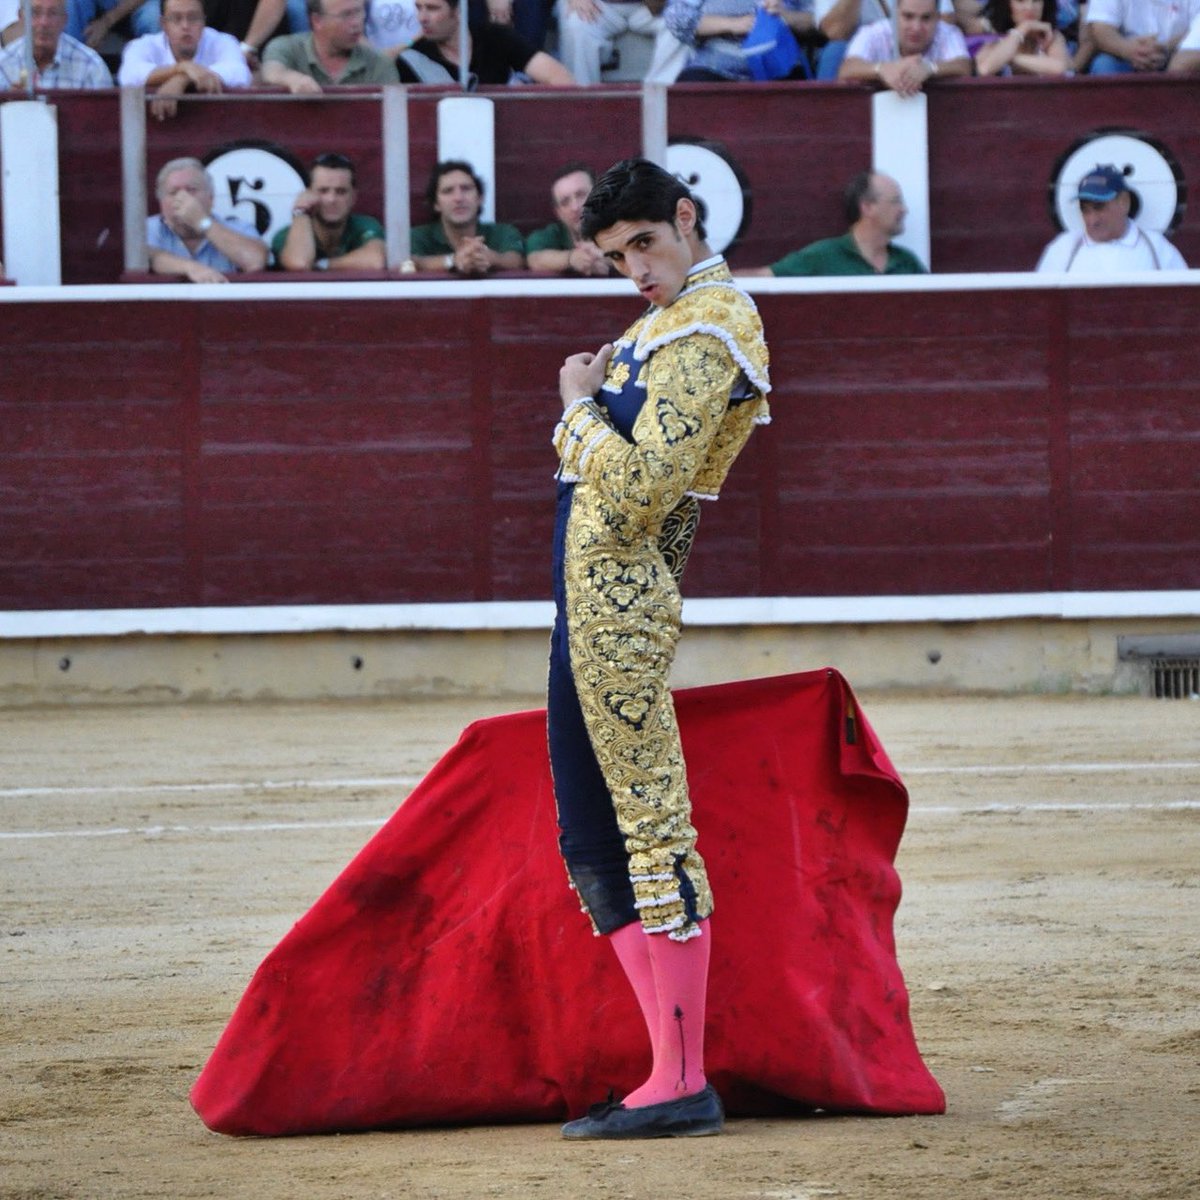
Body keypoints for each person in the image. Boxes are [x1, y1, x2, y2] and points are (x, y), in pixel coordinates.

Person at [547, 157, 770, 1140]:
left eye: (645, 243)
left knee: (645, 823)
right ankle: (662, 1068)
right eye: (613, 256)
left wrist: (574, 413)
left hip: (625, 605)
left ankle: (681, 1078)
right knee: (594, 834)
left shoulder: (713, 325)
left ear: (687, 220)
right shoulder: (663, 325)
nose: (634, 269)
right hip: (586, 604)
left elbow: (637, 496)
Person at [744, 170, 927, 276]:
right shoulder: (824, 256)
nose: (904, 210)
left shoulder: (906, 262)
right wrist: (716, 280)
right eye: (895, 201)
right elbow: (765, 277)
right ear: (868, 207)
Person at [1036, 164, 1188, 273]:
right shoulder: (1062, 250)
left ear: (1124, 202)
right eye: (1085, 210)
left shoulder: (1158, 248)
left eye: (1099, 207)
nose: (1092, 220)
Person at [118, 0, 250, 121]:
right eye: (176, 18)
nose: (185, 26)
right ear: (163, 24)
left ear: (204, 21)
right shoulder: (142, 45)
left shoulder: (224, 41)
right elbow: (129, 76)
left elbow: (239, 73)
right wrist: (181, 68)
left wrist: (182, 79)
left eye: (193, 18)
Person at [147, 156, 268, 282]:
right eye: (173, 192)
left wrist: (201, 222)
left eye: (191, 190)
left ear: (211, 198)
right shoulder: (147, 230)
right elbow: (151, 256)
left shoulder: (238, 228)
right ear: (161, 202)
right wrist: (191, 268)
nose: (183, 198)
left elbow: (255, 261)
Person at [271, 152, 386, 271]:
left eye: (341, 192)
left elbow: (376, 261)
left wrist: (322, 265)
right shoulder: (287, 234)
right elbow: (299, 264)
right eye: (323, 191)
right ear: (308, 193)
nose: (331, 199)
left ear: (353, 197)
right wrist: (301, 212)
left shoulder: (364, 225)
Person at [410, 0, 575, 83]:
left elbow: (560, 79)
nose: (421, 18)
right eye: (419, 8)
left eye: (431, 9)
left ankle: (523, 79)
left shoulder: (497, 37)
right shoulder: (412, 55)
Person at [410, 160, 525, 274]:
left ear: (480, 198)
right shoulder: (416, 237)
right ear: (436, 204)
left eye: (466, 188)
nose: (459, 198)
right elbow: (406, 261)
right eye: (448, 191)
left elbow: (516, 260)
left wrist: (488, 257)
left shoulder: (503, 232)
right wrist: (453, 260)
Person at [261, 0, 400, 90]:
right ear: (317, 21)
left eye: (358, 12)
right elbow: (271, 71)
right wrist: (292, 79)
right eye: (346, 15)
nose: (356, 22)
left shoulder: (378, 63)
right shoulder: (287, 48)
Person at [838, 0, 971, 92]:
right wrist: (881, 69)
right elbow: (847, 69)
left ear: (937, 18)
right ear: (895, 14)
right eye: (908, 16)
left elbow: (964, 66)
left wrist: (930, 68)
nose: (916, 27)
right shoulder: (874, 32)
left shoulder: (948, 32)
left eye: (926, 18)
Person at [661, 0, 813, 81]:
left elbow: (821, 24)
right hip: (716, 67)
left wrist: (785, 16)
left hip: (780, 66)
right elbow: (676, 17)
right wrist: (732, 24)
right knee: (691, 94)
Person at [814, 0, 954, 79]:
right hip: (862, 55)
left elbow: (945, 20)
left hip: (916, 49)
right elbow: (835, 32)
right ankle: (827, 123)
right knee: (834, 52)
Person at [526, 163, 614, 275]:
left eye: (581, 195)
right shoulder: (552, 234)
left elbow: (641, 250)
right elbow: (535, 258)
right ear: (558, 213)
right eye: (565, 202)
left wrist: (610, 258)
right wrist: (572, 258)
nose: (575, 207)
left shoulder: (624, 225)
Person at [0, 0, 112, 87]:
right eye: (35, 13)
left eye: (53, 13)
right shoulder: (3, 65)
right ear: (21, 17)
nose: (44, 22)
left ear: (65, 19)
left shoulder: (91, 67)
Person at [555, 0, 665, 84]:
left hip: (653, 6)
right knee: (577, 26)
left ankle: (676, 103)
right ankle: (582, 105)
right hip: (599, 5)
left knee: (679, 22)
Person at [1084, 0, 1200, 71]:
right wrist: (1127, 49)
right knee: (1104, 64)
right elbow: (1100, 29)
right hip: (1125, 56)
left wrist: (1164, 47)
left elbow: (1195, 30)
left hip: (1177, 53)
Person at [972, 0, 1070, 73]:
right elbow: (985, 68)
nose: (1029, 7)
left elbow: (1059, 69)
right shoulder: (994, 37)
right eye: (1021, 1)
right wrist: (1023, 29)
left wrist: (1011, 58)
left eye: (1036, 1)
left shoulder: (1051, 36)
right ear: (1007, 4)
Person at [66, 0, 158, 51]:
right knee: (71, 4)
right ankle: (71, 65)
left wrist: (106, 22)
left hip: (142, 4)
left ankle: (157, 76)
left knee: (153, 18)